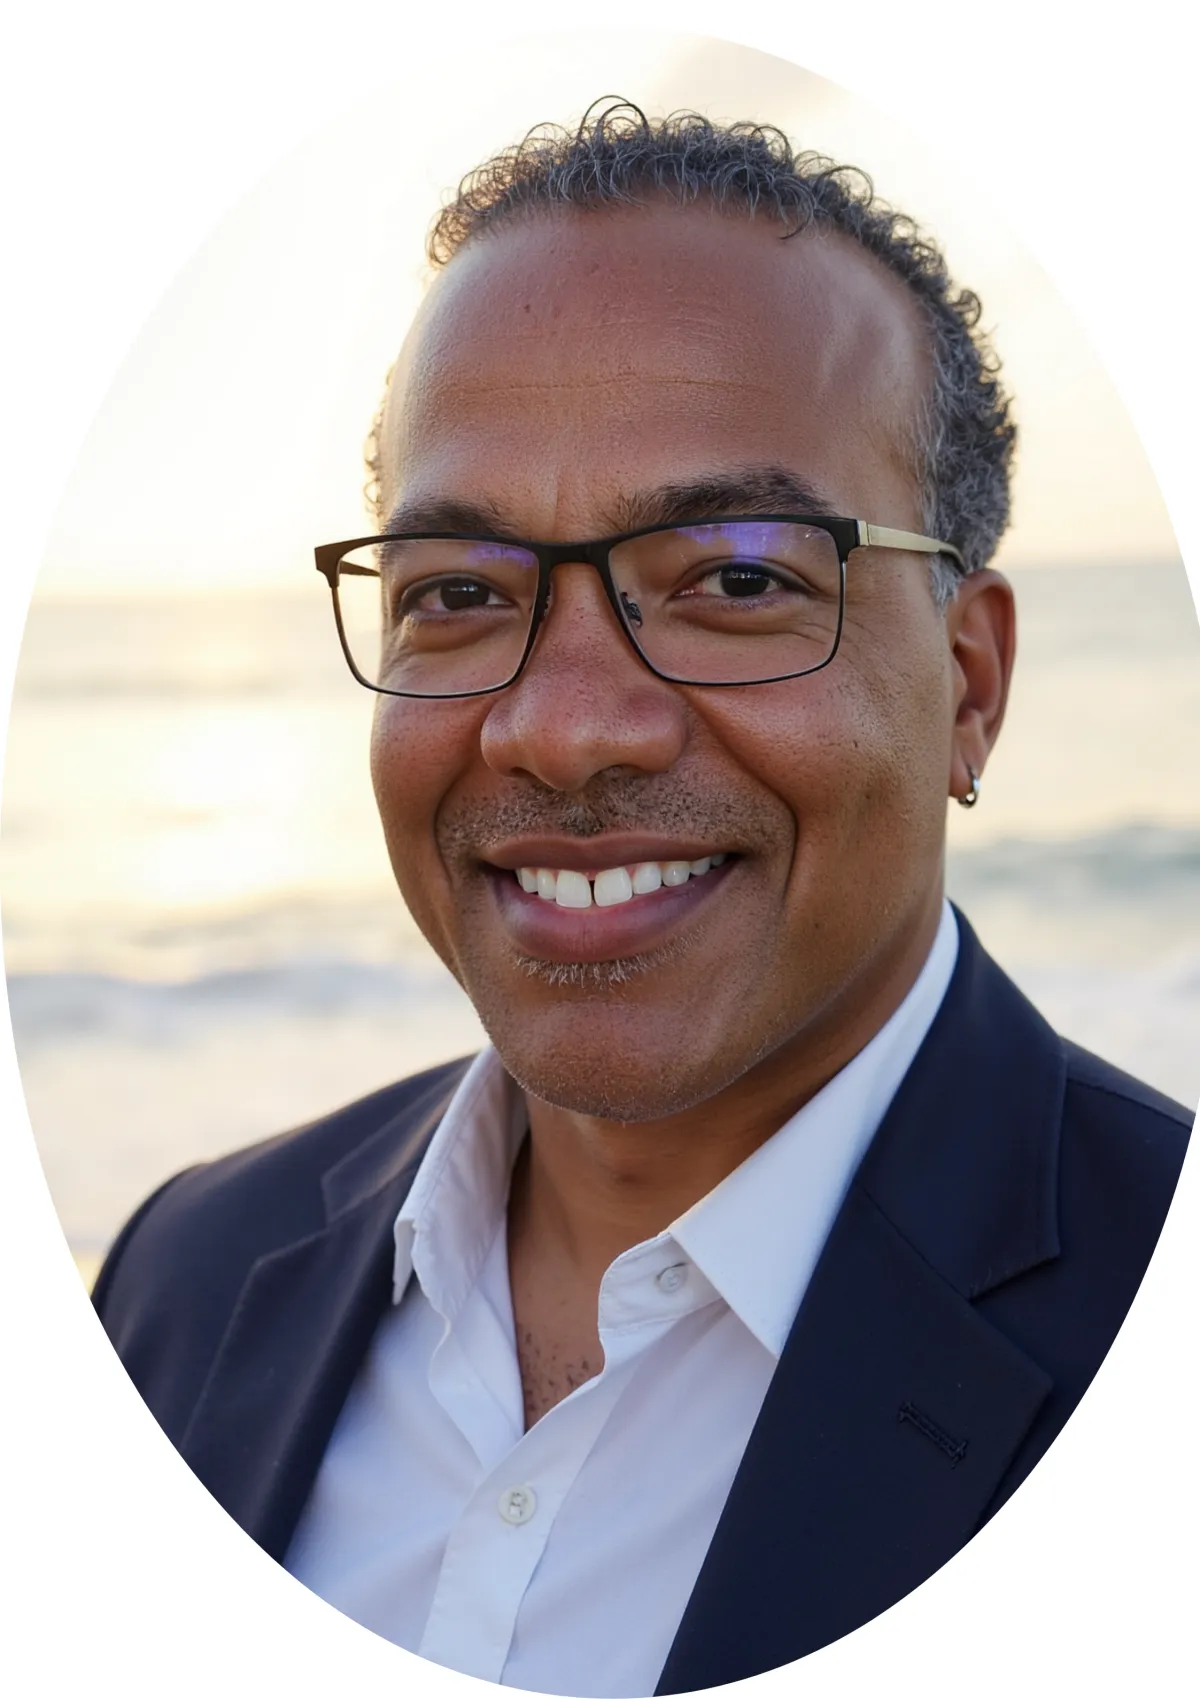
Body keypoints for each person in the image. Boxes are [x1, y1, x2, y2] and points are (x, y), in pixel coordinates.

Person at [92, 102, 1191, 1696]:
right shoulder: (184, 1276)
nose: (563, 726)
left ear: (969, 682)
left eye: (737, 577)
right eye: (458, 593)